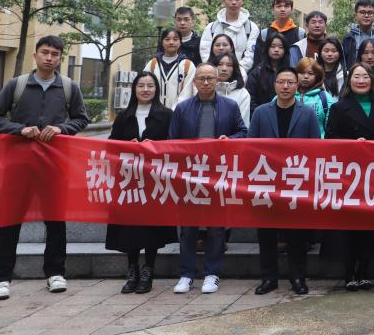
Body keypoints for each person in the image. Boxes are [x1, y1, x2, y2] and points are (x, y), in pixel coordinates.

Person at [0, 35, 89, 301]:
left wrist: (62, 128)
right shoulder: (18, 84)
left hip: (54, 164)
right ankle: (0, 279)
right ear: (35, 55)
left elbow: (81, 119)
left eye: (54, 54)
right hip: (18, 165)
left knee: (56, 219)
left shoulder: (68, 87)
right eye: (45, 52)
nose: (49, 58)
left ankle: (55, 273)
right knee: (9, 219)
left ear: (60, 58)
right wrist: (19, 129)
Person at [169, 62, 247, 295]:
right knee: (188, 228)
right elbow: (172, 141)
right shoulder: (182, 108)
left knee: (216, 227)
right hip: (189, 175)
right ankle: (186, 274)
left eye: (210, 78)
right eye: (201, 78)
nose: (205, 82)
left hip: (218, 174)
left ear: (217, 81)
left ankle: (212, 273)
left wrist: (229, 140)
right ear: (194, 82)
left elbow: (243, 132)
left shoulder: (230, 106)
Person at [249, 67, 321, 296]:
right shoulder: (261, 112)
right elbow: (251, 145)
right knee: (266, 233)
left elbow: (315, 146)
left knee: (296, 234)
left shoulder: (307, 113)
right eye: (281, 82)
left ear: (297, 86)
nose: (286, 86)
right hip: (267, 178)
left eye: (290, 82)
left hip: (296, 179)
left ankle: (297, 277)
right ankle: (268, 278)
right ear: (275, 85)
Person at [104, 72, 176, 295]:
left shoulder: (166, 115)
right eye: (141, 86)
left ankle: (148, 270)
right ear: (134, 89)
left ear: (156, 89)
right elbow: (111, 146)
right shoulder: (124, 116)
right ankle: (132, 269)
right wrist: (128, 146)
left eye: (150, 86)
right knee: (129, 228)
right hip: (129, 180)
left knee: (151, 227)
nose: (146, 90)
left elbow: (175, 144)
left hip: (154, 180)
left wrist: (156, 147)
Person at [326, 63, 374, 290]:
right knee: (349, 226)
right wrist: (352, 145)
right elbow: (330, 138)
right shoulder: (338, 108)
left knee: (369, 226)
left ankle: (364, 271)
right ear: (349, 80)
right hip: (349, 175)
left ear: (372, 80)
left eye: (365, 77)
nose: (361, 81)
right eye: (356, 77)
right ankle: (349, 273)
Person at [199, 0, 259, 73]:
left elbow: (250, 56)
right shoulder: (211, 28)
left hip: (241, 76)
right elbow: (205, 53)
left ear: (242, 1)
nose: (234, 2)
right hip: (215, 76)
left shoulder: (251, 28)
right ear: (223, 1)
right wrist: (215, 71)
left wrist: (237, 73)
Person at [144, 28, 196, 109]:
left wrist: (174, 111)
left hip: (178, 113)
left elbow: (187, 93)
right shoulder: (152, 64)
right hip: (154, 112)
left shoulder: (188, 65)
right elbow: (144, 87)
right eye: (167, 39)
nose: (171, 42)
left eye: (175, 39)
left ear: (180, 42)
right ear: (162, 42)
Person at [252, 0, 305, 70]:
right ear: (273, 10)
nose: (282, 9)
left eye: (286, 6)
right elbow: (258, 61)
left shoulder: (300, 34)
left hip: (293, 75)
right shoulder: (264, 34)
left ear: (291, 9)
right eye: (279, 6)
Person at [246, 31, 289, 108]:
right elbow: (251, 99)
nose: (276, 50)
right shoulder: (257, 73)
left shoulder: (289, 72)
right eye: (273, 46)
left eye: (280, 47)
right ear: (267, 48)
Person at [295, 57, 336, 136]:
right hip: (290, 143)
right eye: (302, 73)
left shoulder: (325, 98)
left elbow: (331, 129)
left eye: (310, 73)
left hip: (318, 142)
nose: (306, 76)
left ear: (317, 76)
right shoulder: (286, 95)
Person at [213, 52, 252, 127]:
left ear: (234, 68)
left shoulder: (243, 94)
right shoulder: (207, 89)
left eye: (229, 65)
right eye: (220, 64)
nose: (224, 69)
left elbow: (243, 124)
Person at [342, 0, 374, 68]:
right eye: (362, 12)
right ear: (356, 15)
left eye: (370, 12)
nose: (366, 15)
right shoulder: (348, 38)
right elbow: (344, 62)